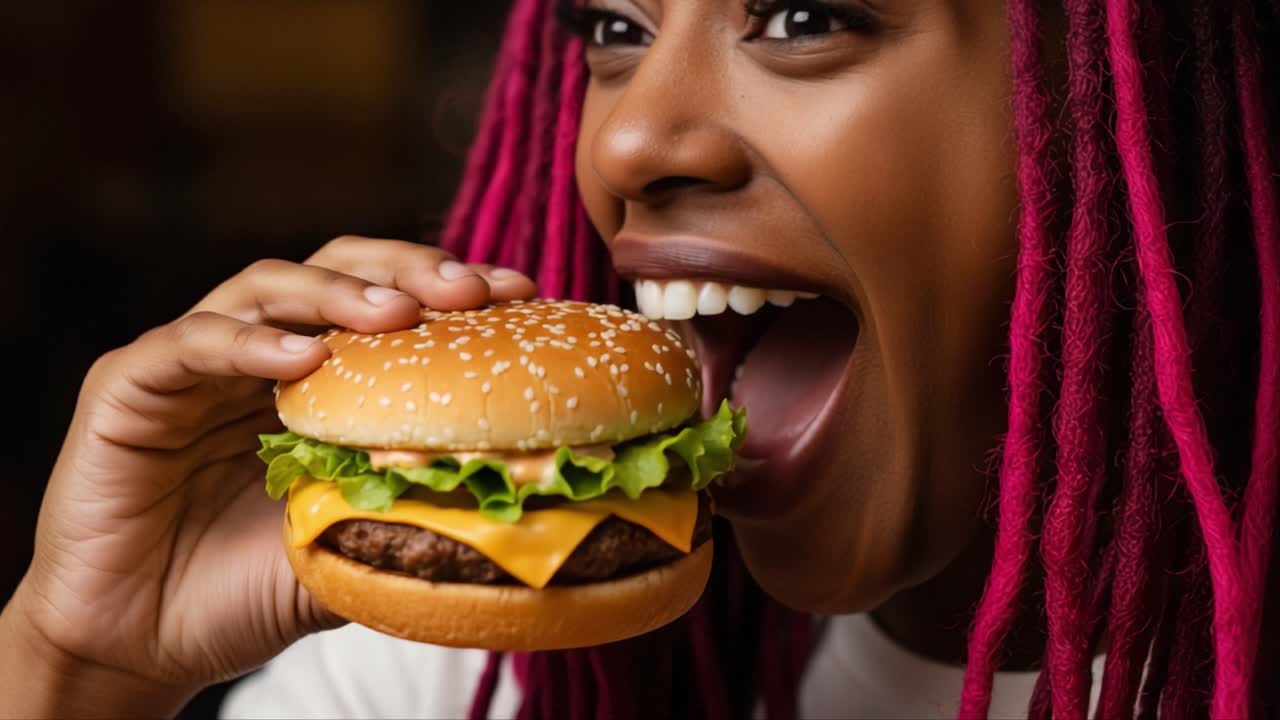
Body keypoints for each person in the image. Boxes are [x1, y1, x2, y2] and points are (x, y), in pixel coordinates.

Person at [1, 0, 1276, 717]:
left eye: (799, 15)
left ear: (1148, 109)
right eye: (611, 27)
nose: (625, 144)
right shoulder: (473, 670)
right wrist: (83, 671)